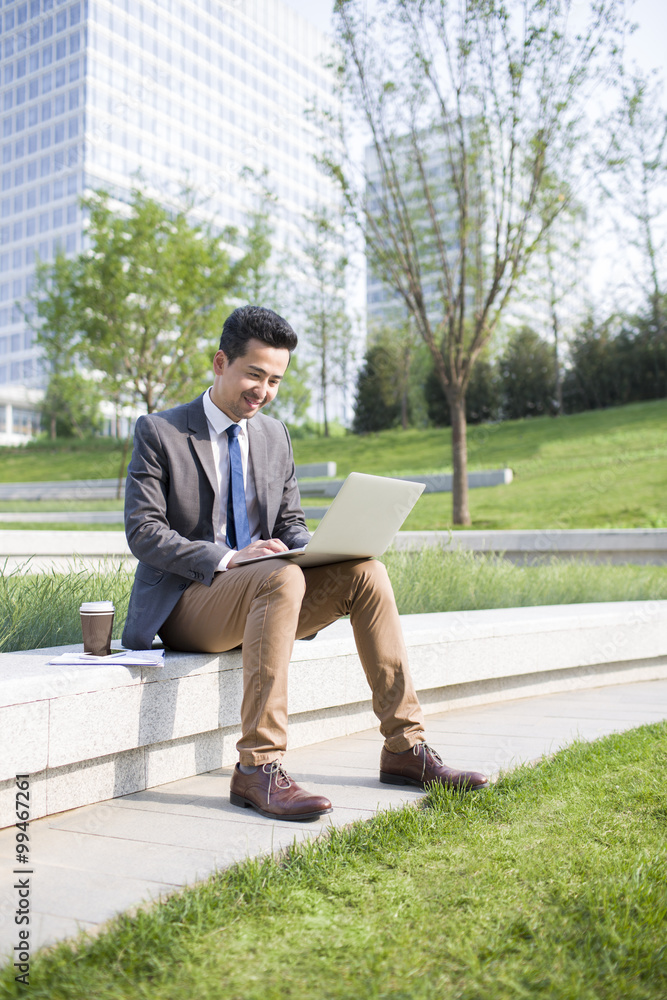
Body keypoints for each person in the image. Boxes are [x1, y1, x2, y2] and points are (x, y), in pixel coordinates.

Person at [122, 305, 488, 821]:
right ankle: (257, 767)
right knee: (281, 577)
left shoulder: (274, 436)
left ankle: (405, 749)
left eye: (274, 380)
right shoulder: (160, 431)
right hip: (189, 602)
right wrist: (230, 557)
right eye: (254, 374)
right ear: (220, 362)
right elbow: (144, 532)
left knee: (367, 573)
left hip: (272, 588)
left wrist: (316, 547)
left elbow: (290, 521)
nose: (263, 391)